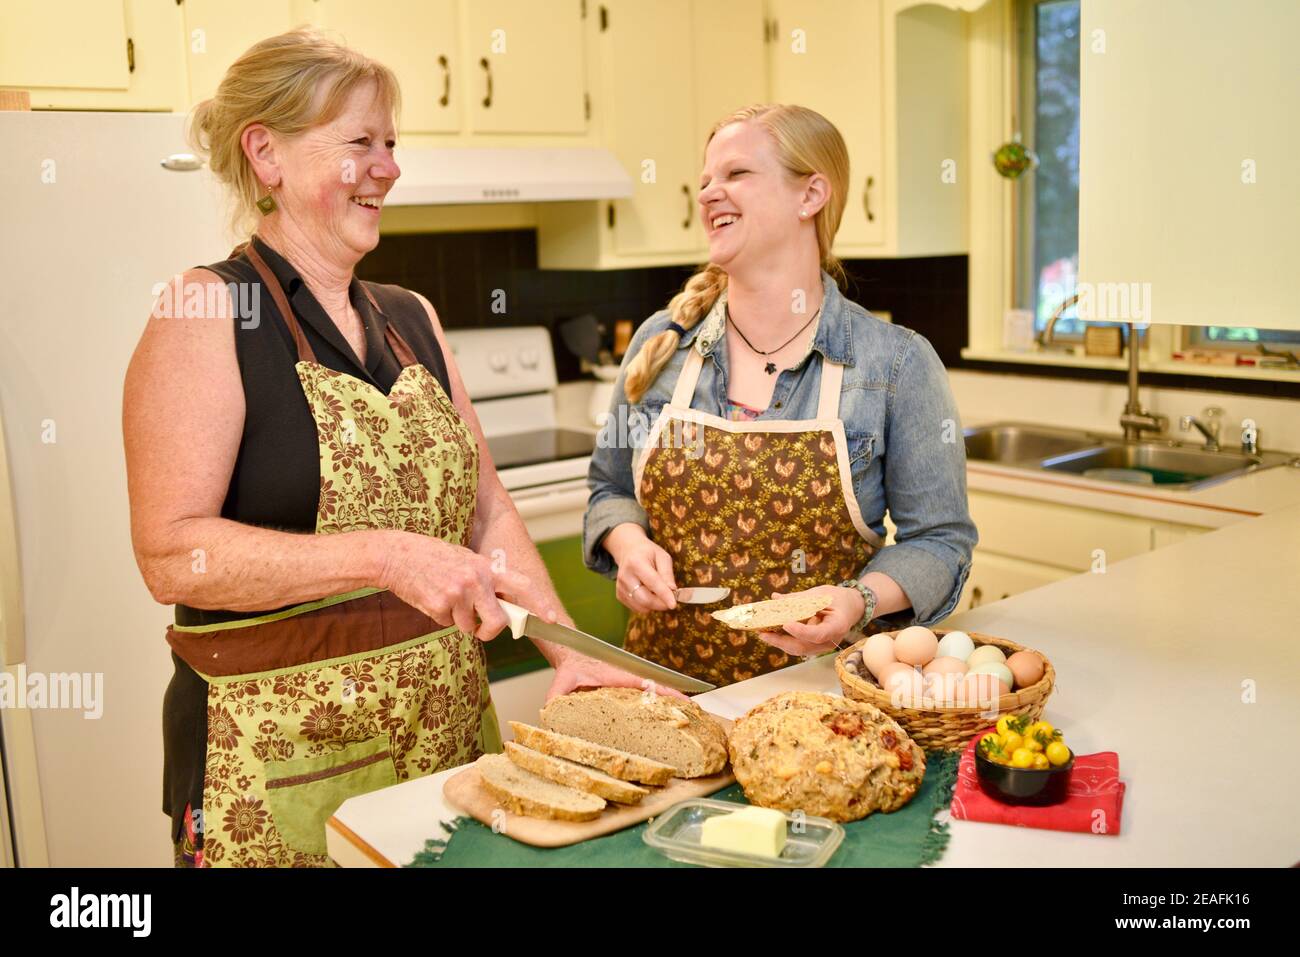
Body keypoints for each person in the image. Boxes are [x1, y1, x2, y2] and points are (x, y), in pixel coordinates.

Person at [123, 28, 664, 868]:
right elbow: (171, 554)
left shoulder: (411, 315)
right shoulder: (204, 312)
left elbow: (486, 507)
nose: (390, 168)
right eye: (360, 144)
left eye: (391, 145)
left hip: (445, 744)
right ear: (266, 154)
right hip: (276, 766)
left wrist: (568, 650)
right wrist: (387, 555)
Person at [585, 104, 977, 687]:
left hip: (824, 704)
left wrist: (859, 600)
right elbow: (609, 488)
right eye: (705, 181)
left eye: (736, 174)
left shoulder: (894, 364)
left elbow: (940, 540)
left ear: (811, 194)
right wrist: (627, 545)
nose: (709, 193)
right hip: (666, 697)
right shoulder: (662, 344)